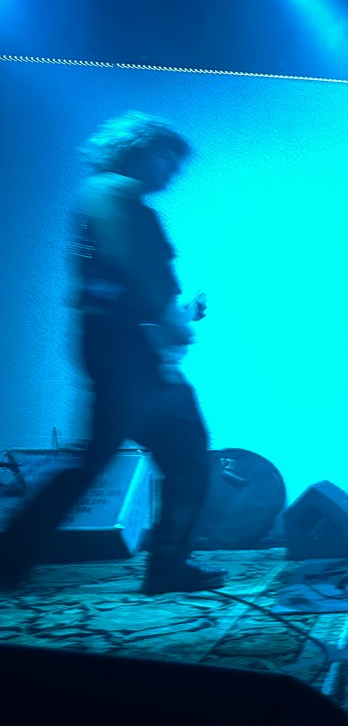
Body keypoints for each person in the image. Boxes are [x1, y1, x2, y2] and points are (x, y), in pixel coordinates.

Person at [0, 111, 227, 595]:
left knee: (147, 456)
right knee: (182, 456)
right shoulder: (121, 197)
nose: (173, 171)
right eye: (169, 158)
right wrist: (176, 324)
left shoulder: (95, 195)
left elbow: (115, 287)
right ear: (141, 149)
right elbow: (144, 282)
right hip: (133, 359)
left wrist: (175, 318)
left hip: (117, 350)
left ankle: (12, 560)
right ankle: (164, 567)